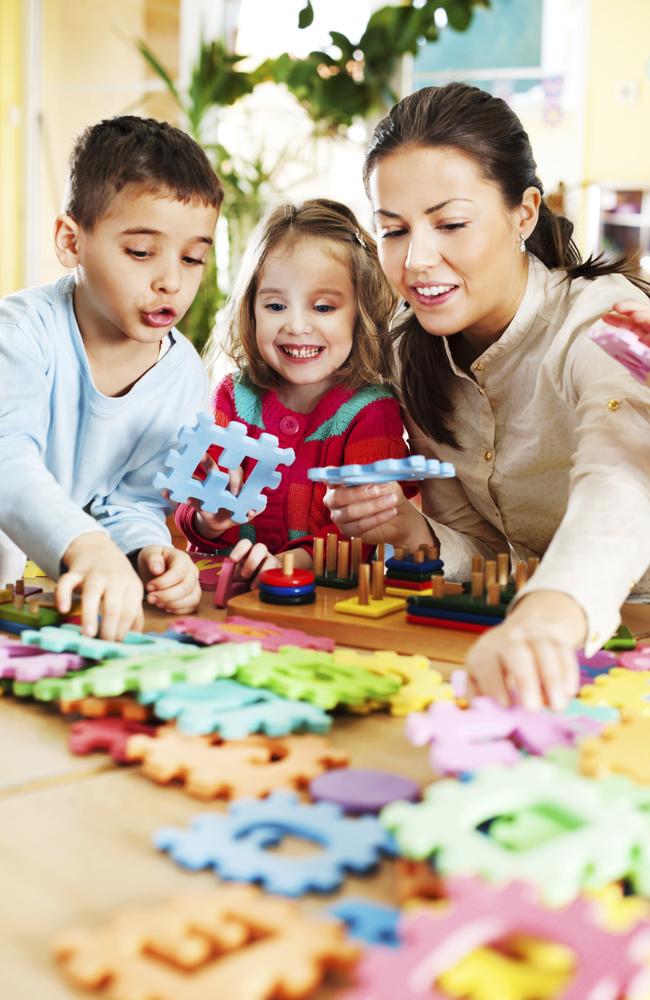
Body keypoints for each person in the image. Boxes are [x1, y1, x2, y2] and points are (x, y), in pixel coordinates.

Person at [324, 83, 650, 710]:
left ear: (524, 213)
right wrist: (412, 529)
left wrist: (551, 614)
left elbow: (623, 481)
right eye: (393, 230)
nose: (417, 260)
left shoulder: (611, 321)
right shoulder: (409, 350)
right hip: (536, 656)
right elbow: (495, 552)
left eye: (450, 224)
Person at [0, 116, 223, 639]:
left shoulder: (184, 377)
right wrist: (85, 545)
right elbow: (6, 459)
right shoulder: (19, 336)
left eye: (193, 258)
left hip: (33, 615)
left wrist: (146, 552)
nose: (170, 280)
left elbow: (134, 499)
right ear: (71, 242)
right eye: (141, 252)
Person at [175, 198, 414, 578]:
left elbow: (362, 536)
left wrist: (286, 565)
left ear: (360, 312)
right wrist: (207, 519)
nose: (297, 326)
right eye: (275, 306)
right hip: (220, 600)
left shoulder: (372, 414)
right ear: (250, 308)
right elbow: (192, 500)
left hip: (319, 608)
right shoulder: (232, 398)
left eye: (323, 308)